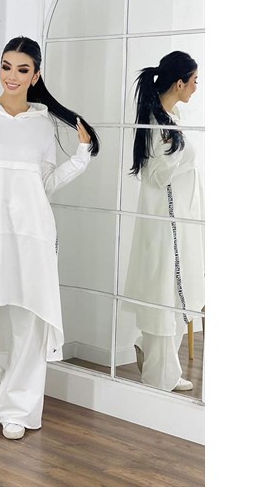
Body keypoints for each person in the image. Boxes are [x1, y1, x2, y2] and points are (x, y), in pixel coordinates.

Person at [0, 36, 100, 440]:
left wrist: (81, 158)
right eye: (6, 66)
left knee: (29, 323)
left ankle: (17, 410)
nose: (11, 76)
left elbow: (44, 183)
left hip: (33, 235)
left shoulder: (42, 124)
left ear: (36, 75)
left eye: (22, 69)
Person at [125, 50, 204, 392]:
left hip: (177, 219)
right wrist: (183, 152)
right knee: (164, 290)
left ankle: (157, 359)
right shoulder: (157, 123)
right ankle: (159, 375)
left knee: (171, 291)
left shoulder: (169, 116)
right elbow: (156, 174)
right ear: (179, 83)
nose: (197, 87)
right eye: (195, 81)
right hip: (165, 221)